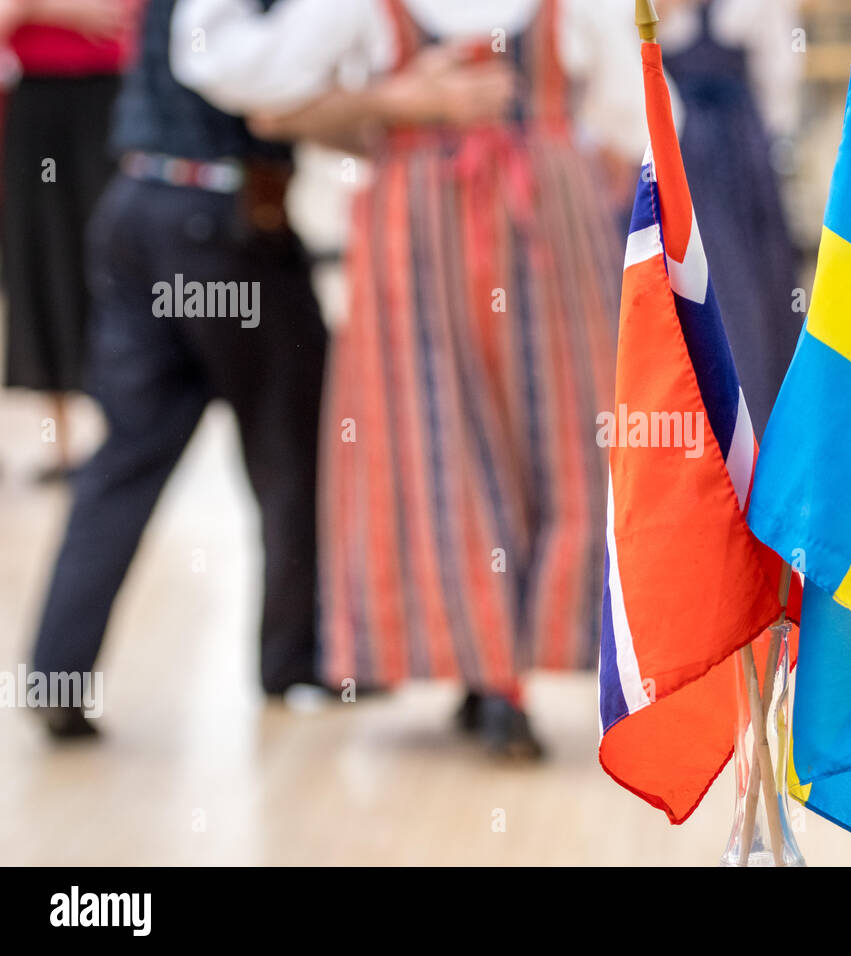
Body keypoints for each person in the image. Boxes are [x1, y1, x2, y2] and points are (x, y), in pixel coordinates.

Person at [172, 0, 622, 759]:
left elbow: (637, 112)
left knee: (531, 442)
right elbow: (243, 80)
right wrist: (397, 103)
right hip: (463, 225)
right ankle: (495, 673)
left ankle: (497, 668)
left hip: (524, 225)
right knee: (448, 439)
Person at [27, 0, 329, 737]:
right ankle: (292, 663)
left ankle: (55, 674)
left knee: (124, 457)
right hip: (222, 224)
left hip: (137, 206)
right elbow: (265, 99)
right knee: (290, 451)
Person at [657, 0, 803, 438]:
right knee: (693, 289)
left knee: (750, 291)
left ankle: (757, 427)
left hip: (739, 164)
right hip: (676, 159)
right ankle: (698, 428)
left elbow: (781, 77)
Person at [0, 0, 133, 481]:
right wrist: (51, 9)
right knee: (41, 255)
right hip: (41, 108)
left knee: (110, 255)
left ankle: (117, 434)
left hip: (109, 101)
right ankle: (59, 442)